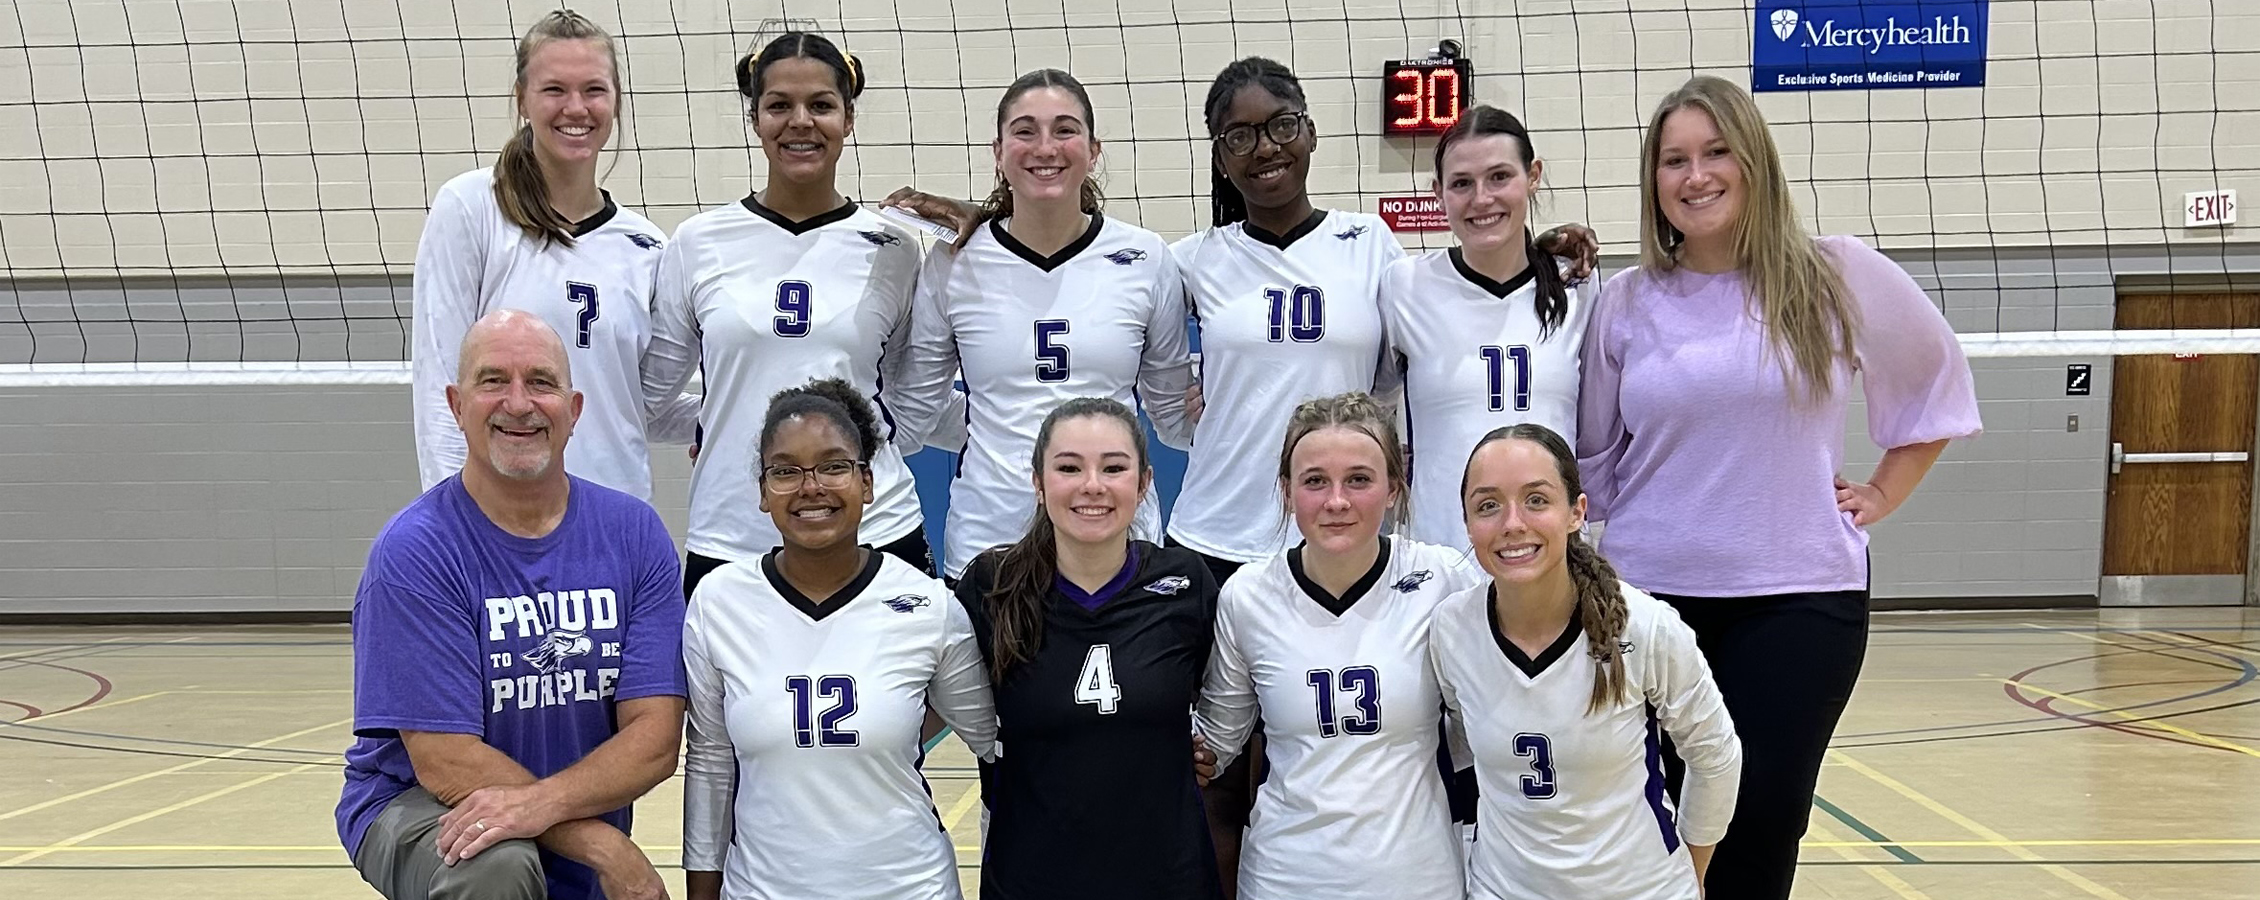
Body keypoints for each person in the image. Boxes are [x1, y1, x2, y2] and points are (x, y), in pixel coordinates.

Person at [1575, 74, 1981, 899]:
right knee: (1641, 818)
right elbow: (1591, 458)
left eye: (1716, 152)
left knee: (1758, 820)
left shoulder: (1833, 275)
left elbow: (1938, 386)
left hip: (1797, 601)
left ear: (1754, 159)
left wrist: (1883, 492)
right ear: (1654, 182)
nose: (1696, 176)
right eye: (1674, 160)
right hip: (1650, 605)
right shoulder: (1625, 301)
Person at [338, 310, 686, 900]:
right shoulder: (417, 550)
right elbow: (446, 763)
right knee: (496, 865)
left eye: (541, 383)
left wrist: (549, 811)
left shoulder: (633, 534)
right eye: (493, 380)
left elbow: (653, 739)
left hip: (558, 809)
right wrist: (603, 844)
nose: (519, 404)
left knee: (526, 853)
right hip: (417, 802)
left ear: (573, 411)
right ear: (456, 404)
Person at [643, 32, 936, 597]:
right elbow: (651, 400)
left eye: (821, 105)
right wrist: (728, 423)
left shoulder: (893, 247)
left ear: (848, 119)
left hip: (873, 528)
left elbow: (912, 403)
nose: (800, 121)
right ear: (755, 118)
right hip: (735, 533)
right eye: (779, 105)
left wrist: (850, 448)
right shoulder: (698, 242)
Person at [681, 378, 997, 900]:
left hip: (910, 887)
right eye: (785, 471)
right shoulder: (718, 604)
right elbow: (711, 764)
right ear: (762, 492)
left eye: (834, 466)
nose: (811, 487)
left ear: (867, 483)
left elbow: (995, 742)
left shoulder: (927, 604)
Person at [888, 68, 1196, 581]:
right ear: (999, 150)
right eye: (1025, 131)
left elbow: (1170, 415)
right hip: (992, 545)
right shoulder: (955, 262)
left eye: (1065, 130)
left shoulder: (1145, 257)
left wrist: (1238, 410)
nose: (1045, 147)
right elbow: (914, 412)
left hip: (1118, 544)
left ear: (1094, 150)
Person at [1192, 391, 1485, 900]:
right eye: (1314, 481)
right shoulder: (1248, 597)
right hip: (1284, 879)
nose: (1336, 501)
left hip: (1417, 879)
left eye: (1359, 479)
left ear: (1394, 486)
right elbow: (1217, 747)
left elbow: (1481, 728)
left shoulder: (1442, 581)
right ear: (1286, 491)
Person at [1432, 424, 1741, 900]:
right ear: (1468, 523)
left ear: (1576, 512)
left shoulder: (1645, 627)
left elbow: (1716, 754)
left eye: (1536, 500)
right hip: (1504, 888)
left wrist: (1693, 871)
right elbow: (1459, 740)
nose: (1512, 523)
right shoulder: (1453, 629)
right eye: (1488, 505)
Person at [410, 10, 695, 501]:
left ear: (617, 102)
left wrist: (739, 413)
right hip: (501, 514)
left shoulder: (646, 246)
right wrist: (454, 521)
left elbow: (634, 405)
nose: (576, 108)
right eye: (554, 90)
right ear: (522, 100)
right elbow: (441, 385)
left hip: (616, 511)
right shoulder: (471, 208)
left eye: (594, 90)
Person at [954, 398, 1222, 900]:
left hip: (1167, 879)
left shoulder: (1186, 582)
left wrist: (1208, 752)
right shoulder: (990, 587)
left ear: (1143, 484)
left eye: (1114, 468)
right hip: (1031, 879)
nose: (1092, 485)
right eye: (1069, 467)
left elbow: (1231, 702)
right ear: (1038, 482)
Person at [1382, 105, 1595, 552]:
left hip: (1552, 555)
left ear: (1532, 175)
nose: (1481, 198)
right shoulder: (1404, 286)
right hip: (1442, 557)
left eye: (1500, 177)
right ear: (1438, 193)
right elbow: (1363, 390)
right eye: (1462, 184)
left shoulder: (1578, 284)